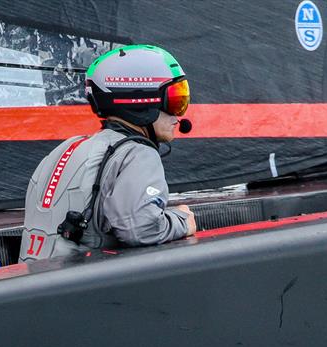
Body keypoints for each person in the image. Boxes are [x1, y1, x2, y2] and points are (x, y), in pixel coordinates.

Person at [19, 44, 197, 262]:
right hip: (83, 289)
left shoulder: (69, 147)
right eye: (177, 101)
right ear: (142, 101)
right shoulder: (138, 154)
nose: (179, 116)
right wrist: (182, 220)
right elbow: (140, 228)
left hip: (30, 283)